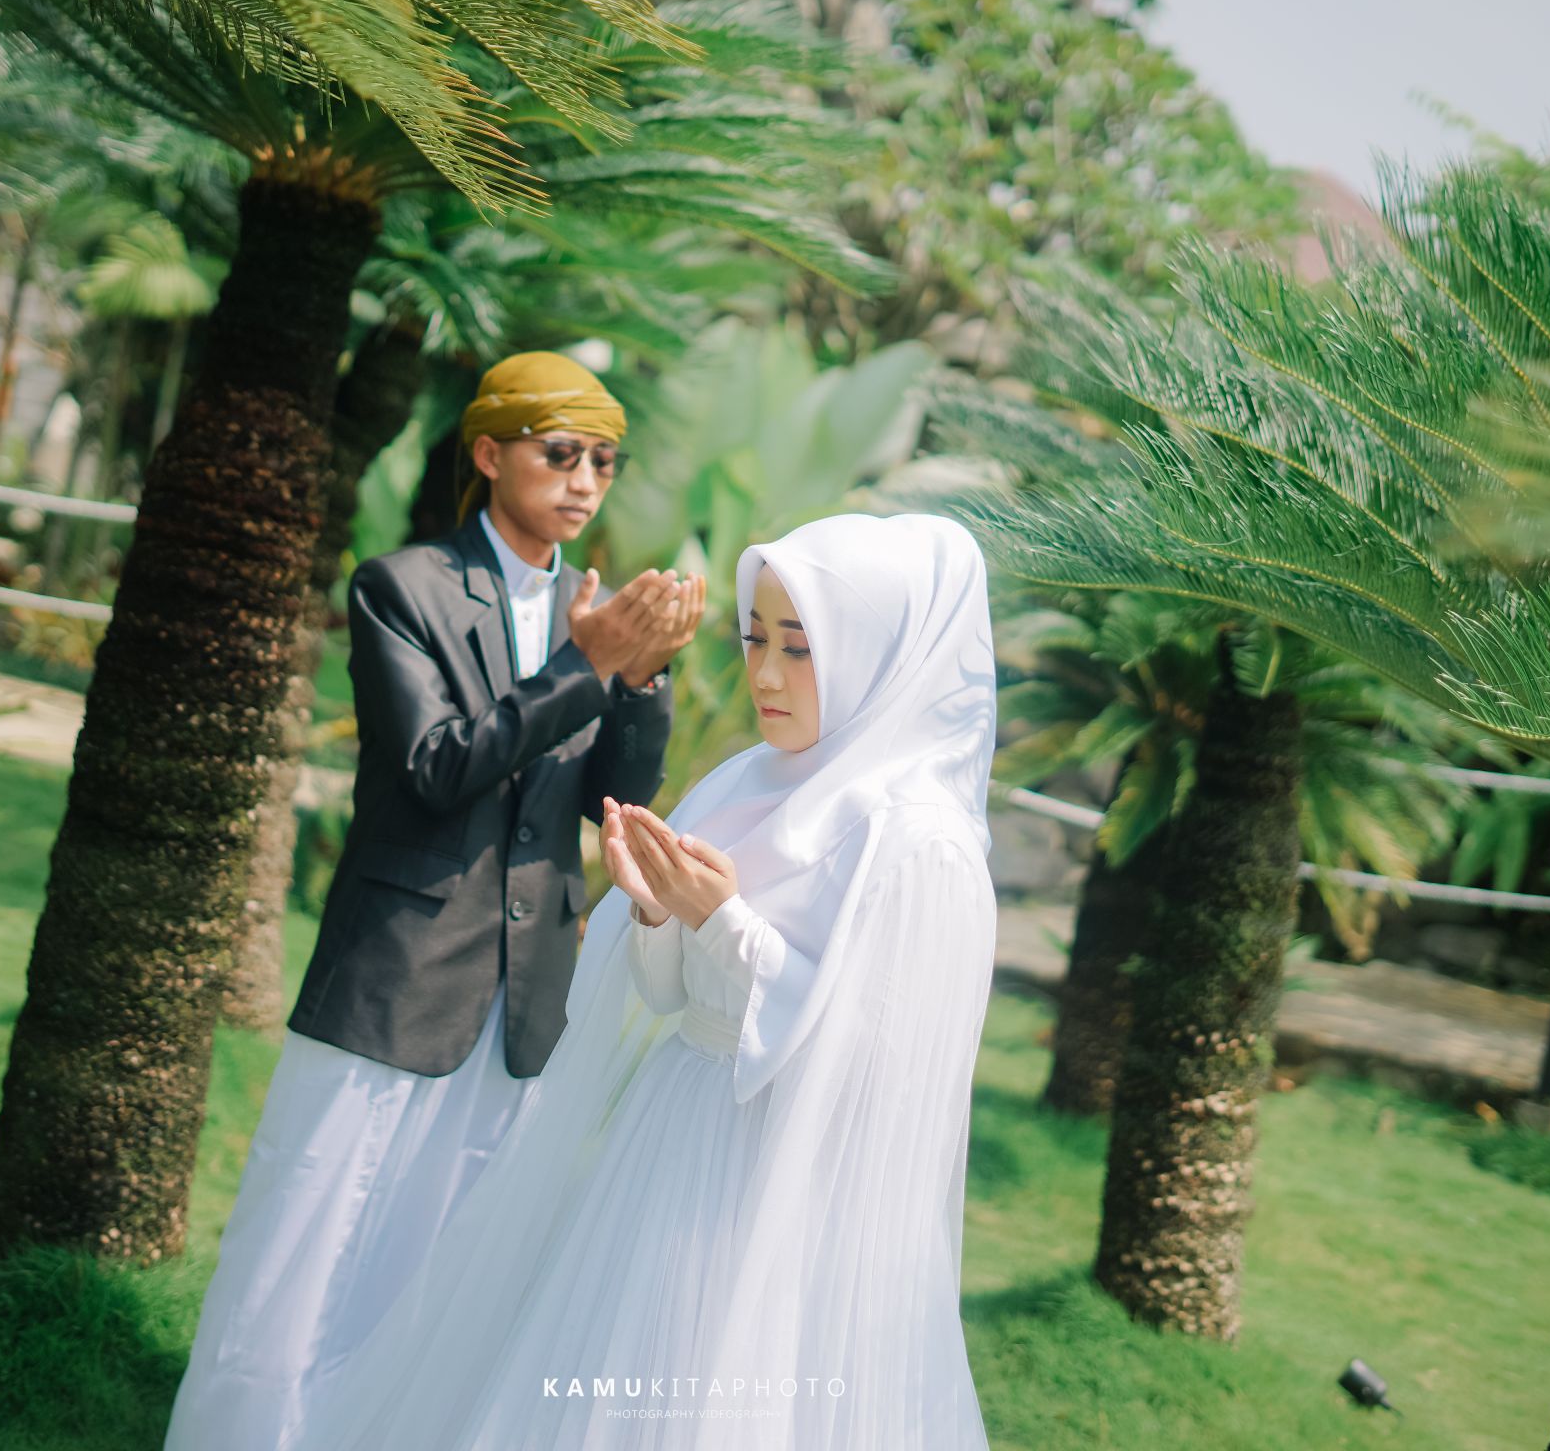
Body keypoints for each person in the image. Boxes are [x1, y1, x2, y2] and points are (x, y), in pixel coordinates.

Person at [292, 510, 1001, 1451]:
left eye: (801, 648)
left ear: (882, 655)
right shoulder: (750, 780)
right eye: (755, 639)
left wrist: (721, 921)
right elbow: (673, 997)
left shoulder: (920, 842)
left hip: (783, 1176)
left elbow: (881, 1065)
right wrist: (661, 913)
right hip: (674, 1128)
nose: (765, 675)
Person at [165, 350, 706, 1451]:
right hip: (396, 971)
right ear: (489, 454)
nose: (585, 480)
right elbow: (432, 769)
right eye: (561, 453)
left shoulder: (593, 610)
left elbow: (614, 799)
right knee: (305, 1243)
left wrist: (640, 678)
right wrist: (587, 666)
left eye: (604, 460)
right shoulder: (399, 586)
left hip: (525, 994)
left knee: (446, 1257)